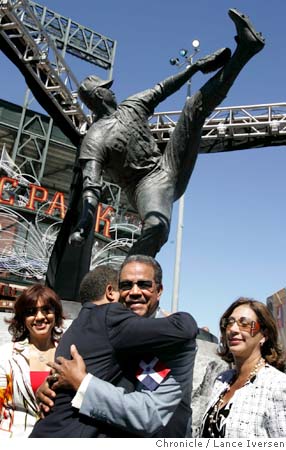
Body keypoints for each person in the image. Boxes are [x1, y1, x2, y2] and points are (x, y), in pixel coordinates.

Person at [68, 8, 265, 259]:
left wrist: (195, 67)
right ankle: (130, 276)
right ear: (98, 95)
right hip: (144, 185)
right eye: (106, 89)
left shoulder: (131, 105)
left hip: (166, 163)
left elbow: (163, 88)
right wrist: (84, 223)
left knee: (193, 106)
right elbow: (90, 187)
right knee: (156, 225)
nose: (111, 91)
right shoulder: (94, 138)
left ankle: (246, 49)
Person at [31, 259, 198, 437]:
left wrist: (83, 384)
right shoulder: (107, 326)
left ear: (159, 291)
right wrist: (51, 385)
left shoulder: (177, 342)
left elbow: (150, 414)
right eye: (126, 285)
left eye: (144, 284)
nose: (134, 292)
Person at [200, 297, 286, 438]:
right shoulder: (222, 380)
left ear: (264, 335)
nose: (233, 329)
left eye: (244, 324)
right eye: (229, 323)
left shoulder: (277, 385)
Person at [0, 284, 64, 438]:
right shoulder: (6, 355)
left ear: (56, 315)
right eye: (31, 312)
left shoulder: (66, 354)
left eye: (47, 310)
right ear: (23, 319)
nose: (40, 317)